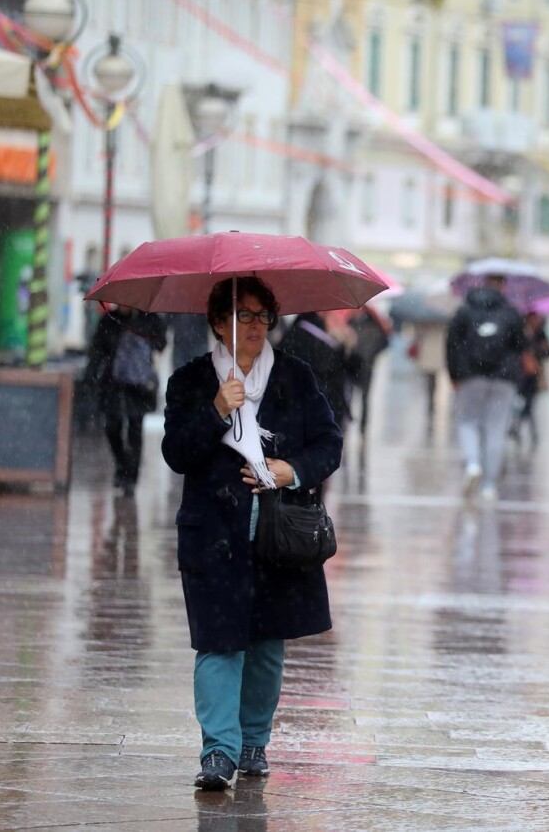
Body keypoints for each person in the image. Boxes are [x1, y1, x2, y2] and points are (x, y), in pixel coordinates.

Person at [161, 277, 343, 791]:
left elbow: (330, 444)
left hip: (277, 536)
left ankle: (252, 741)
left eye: (264, 316)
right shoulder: (190, 381)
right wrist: (216, 410)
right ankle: (218, 752)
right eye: (244, 315)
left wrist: (291, 471)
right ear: (219, 322)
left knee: (265, 647)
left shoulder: (297, 378)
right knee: (218, 645)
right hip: (212, 535)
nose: (257, 326)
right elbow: (176, 453)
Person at [445, 273, 527, 501]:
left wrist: (455, 374)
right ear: (503, 285)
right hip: (504, 379)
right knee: (496, 429)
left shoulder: (465, 310)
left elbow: (451, 343)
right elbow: (520, 346)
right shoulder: (511, 312)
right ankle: (489, 486)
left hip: (470, 376)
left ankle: (473, 465)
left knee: (467, 421)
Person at [85, 304, 167, 496]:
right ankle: (122, 466)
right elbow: (97, 349)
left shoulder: (149, 319)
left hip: (138, 386)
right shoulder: (109, 320)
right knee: (112, 427)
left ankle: (131, 478)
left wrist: (144, 344)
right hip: (113, 385)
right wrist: (92, 377)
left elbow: (161, 343)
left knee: (135, 430)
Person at [278, 310, 354, 431]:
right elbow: (327, 370)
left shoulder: (299, 330)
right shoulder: (307, 335)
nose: (339, 320)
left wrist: (345, 348)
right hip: (313, 414)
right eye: (334, 317)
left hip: (314, 412)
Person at [344, 307, 392, 433]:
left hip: (367, 365)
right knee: (349, 396)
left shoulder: (374, 323)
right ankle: (347, 424)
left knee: (365, 397)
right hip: (351, 365)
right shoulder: (349, 321)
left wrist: (371, 354)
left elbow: (384, 342)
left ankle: (363, 426)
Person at [511, 311, 549, 445]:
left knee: (529, 404)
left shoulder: (541, 333)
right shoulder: (519, 330)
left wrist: (539, 349)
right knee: (522, 403)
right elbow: (515, 348)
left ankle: (518, 428)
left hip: (533, 375)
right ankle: (526, 431)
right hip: (520, 374)